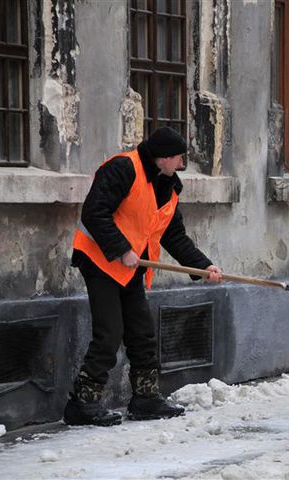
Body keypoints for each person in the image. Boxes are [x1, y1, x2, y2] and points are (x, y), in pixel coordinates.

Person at [65, 126, 223, 427]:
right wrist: (121, 249)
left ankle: (146, 399)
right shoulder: (123, 168)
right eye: (178, 158)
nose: (181, 164)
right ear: (162, 157)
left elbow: (174, 236)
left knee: (142, 333)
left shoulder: (168, 187)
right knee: (109, 331)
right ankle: (82, 404)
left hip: (131, 268)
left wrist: (204, 266)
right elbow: (94, 212)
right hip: (100, 260)